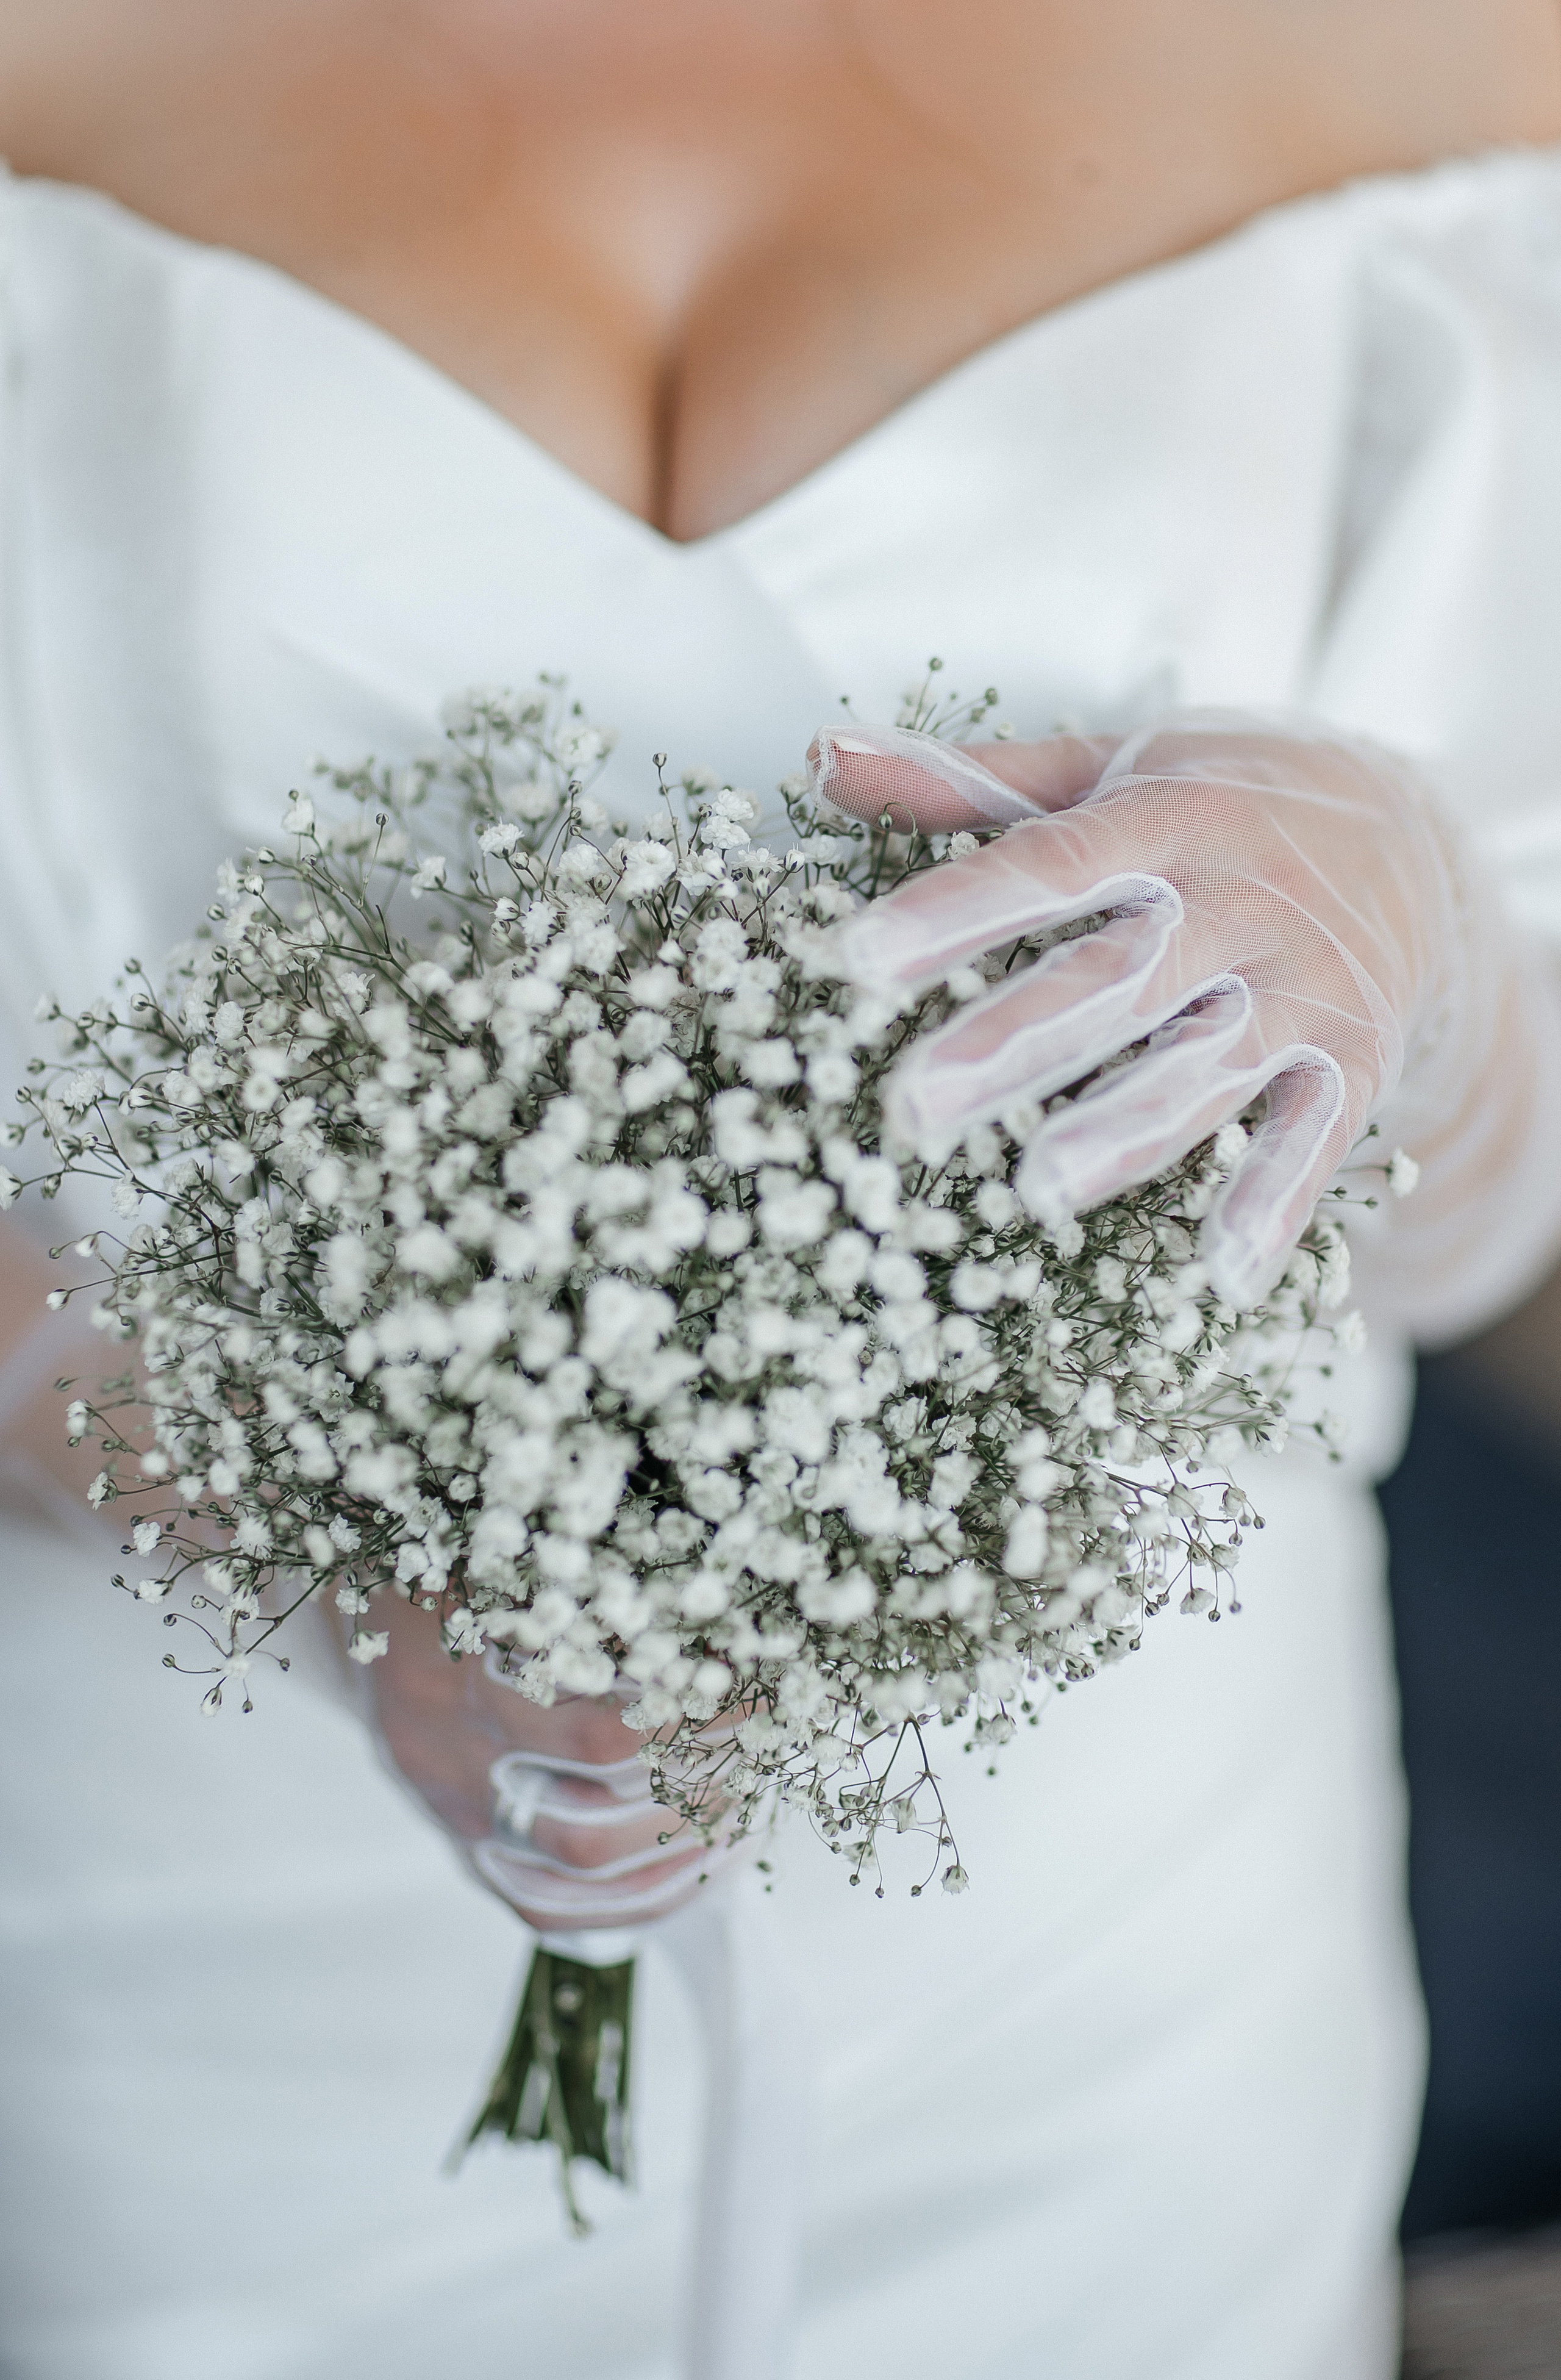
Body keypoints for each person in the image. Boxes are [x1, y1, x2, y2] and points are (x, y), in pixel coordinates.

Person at [3, 4, 1561, 2374]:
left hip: (1109, 1999)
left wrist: (1426, 958)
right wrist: (218, 1466)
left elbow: (1488, 1249)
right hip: (205, 1984)